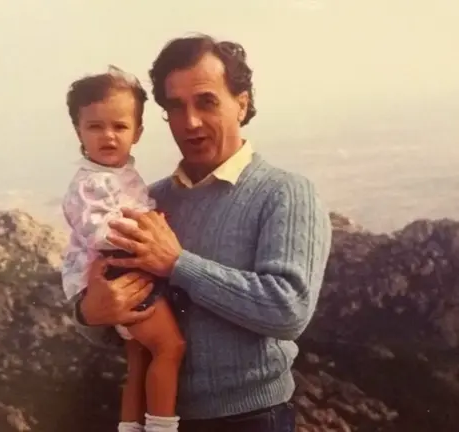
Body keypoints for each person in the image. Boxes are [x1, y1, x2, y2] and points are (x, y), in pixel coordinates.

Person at [70, 34, 333, 432]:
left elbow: (289, 310)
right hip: (163, 419)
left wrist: (177, 263)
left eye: (206, 101)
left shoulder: (286, 193)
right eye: (175, 107)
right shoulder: (146, 201)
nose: (190, 122)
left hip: (252, 419)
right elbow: (125, 323)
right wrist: (89, 313)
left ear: (241, 103)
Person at [61, 65, 185, 432]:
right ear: (78, 131)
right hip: (123, 270)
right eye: (95, 127)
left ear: (138, 132)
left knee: (140, 356)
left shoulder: (118, 174)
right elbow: (103, 233)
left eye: (119, 127)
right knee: (170, 347)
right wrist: (153, 229)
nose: (108, 136)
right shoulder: (92, 182)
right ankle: (162, 428)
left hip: (123, 268)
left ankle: (131, 428)